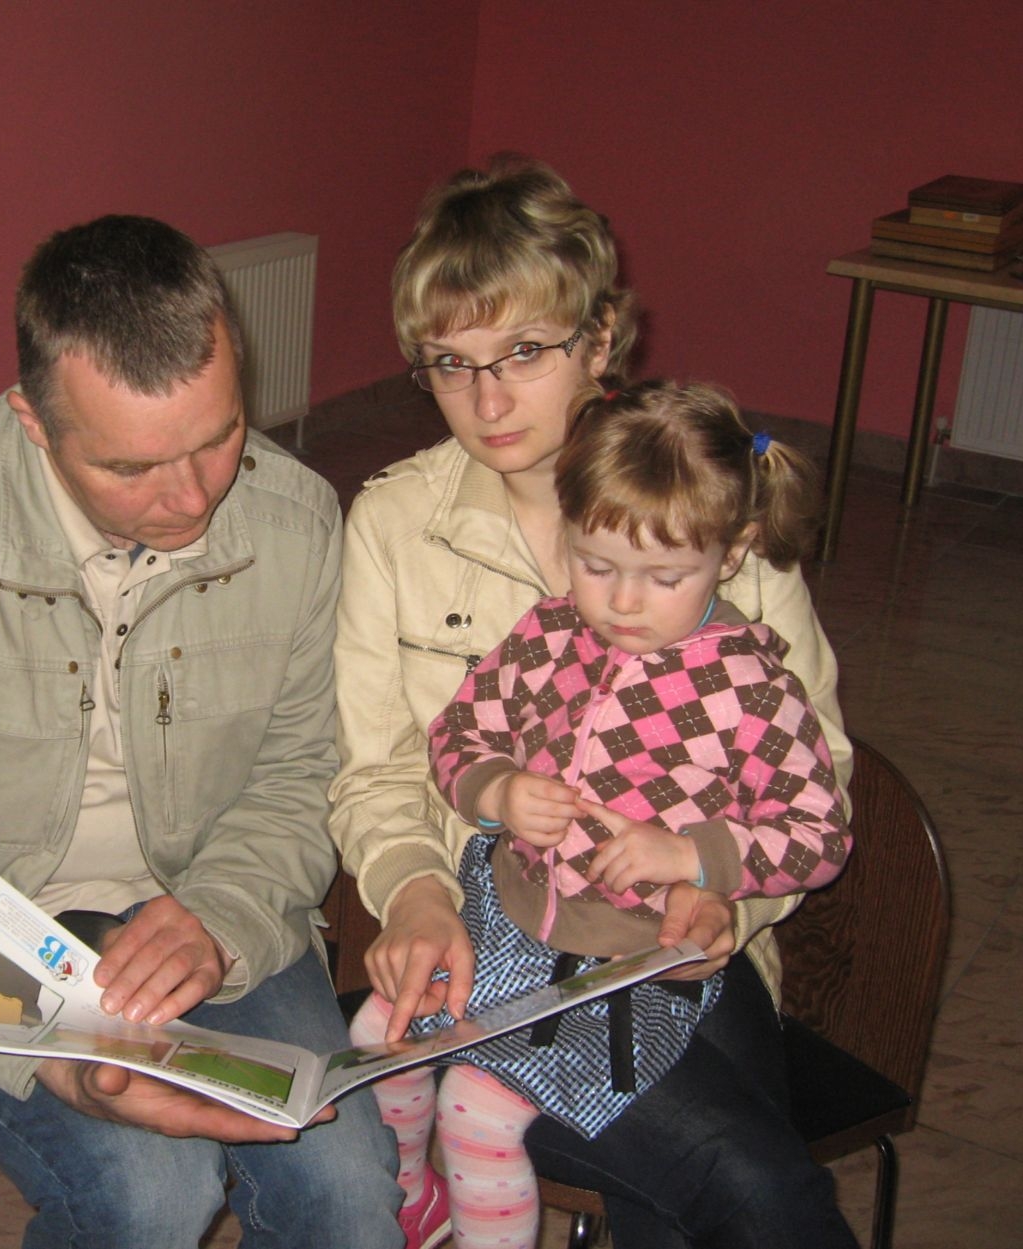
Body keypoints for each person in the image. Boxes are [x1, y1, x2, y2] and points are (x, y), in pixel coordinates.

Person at [0, 215, 402, 1249]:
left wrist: (221, 913)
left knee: (349, 1190)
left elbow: (298, 770)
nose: (193, 496)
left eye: (220, 436)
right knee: (150, 1194)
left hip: (199, 887)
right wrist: (59, 1056)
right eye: (131, 468)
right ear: (31, 421)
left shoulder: (296, 519)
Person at [328, 156, 857, 1248]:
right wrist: (415, 893)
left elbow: (819, 775)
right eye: (451, 362)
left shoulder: (702, 503)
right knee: (748, 1184)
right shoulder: (394, 524)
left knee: (731, 1188)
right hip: (492, 947)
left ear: (600, 339)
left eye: (524, 352)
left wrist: (721, 897)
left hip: (689, 950)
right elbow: (377, 767)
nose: (487, 401)